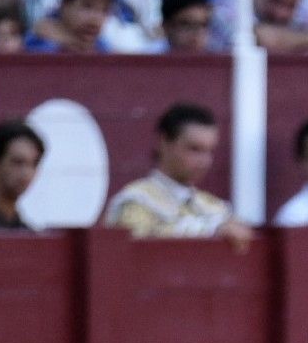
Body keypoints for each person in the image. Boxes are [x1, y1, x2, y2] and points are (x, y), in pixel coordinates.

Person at [104, 101, 253, 246]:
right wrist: (213, 230)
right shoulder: (134, 203)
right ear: (163, 142)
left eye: (209, 151)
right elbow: (138, 244)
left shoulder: (215, 207)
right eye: (194, 149)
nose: (205, 161)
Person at [25, 0, 108, 47]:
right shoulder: (40, 42)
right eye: (87, 6)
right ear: (64, 5)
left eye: (105, 10)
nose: (96, 19)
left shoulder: (100, 45)